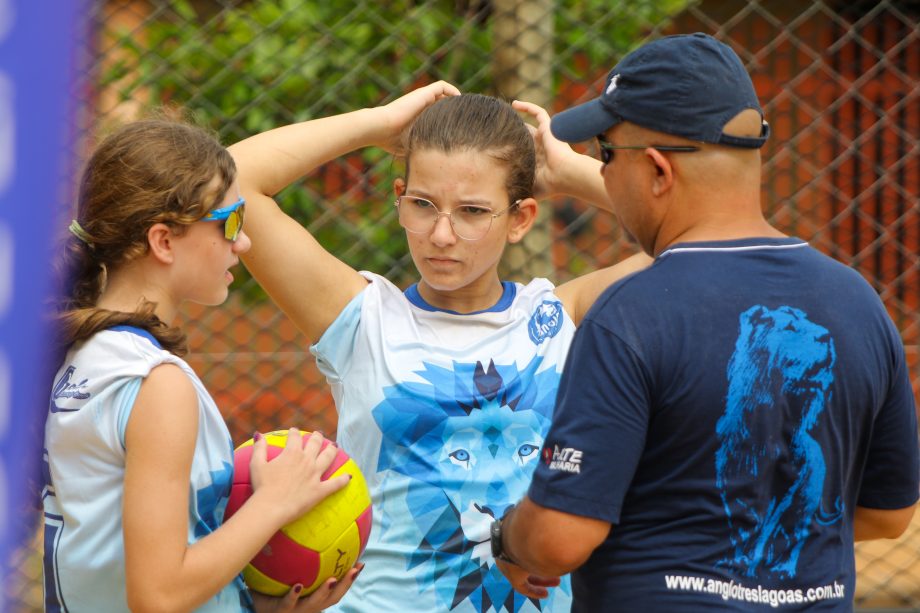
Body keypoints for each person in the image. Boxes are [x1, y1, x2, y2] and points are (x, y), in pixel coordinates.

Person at [490, 32, 920, 611]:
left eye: (606, 155)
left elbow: (558, 539)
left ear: (660, 171)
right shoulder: (857, 304)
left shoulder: (634, 314)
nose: (602, 171)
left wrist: (509, 536)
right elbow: (888, 512)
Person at [228, 83, 650, 613]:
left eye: (473, 211)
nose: (442, 234)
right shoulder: (363, 320)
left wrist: (568, 173)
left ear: (520, 219)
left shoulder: (562, 317)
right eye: (423, 204)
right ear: (399, 195)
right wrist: (374, 123)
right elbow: (229, 183)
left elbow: (699, 246)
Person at [43, 118, 362, 612]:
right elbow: (159, 595)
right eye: (231, 222)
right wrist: (274, 503)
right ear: (164, 241)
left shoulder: (81, 354)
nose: (244, 243)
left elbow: (112, 563)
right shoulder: (155, 384)